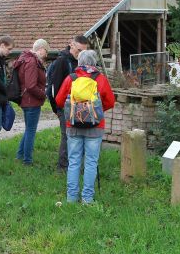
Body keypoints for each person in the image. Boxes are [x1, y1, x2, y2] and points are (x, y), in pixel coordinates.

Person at [55, 50, 115, 204]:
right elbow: (110, 102)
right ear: (94, 62)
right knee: (91, 162)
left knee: (73, 161)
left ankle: (71, 197)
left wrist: (73, 111)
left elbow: (59, 100)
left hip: (73, 125)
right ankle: (88, 198)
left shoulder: (71, 78)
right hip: (95, 127)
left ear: (79, 62)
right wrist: (95, 112)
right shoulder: (100, 78)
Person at [48, 35, 88, 172]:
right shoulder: (62, 61)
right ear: (71, 45)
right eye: (79, 50)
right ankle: (63, 167)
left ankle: (75, 165)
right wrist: (57, 109)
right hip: (63, 106)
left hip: (78, 106)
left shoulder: (80, 62)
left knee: (77, 135)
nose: (80, 54)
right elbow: (54, 88)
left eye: (83, 51)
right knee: (67, 136)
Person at [14, 38, 49, 165]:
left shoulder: (26, 59)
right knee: (31, 131)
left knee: (29, 129)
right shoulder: (32, 62)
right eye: (46, 51)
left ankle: (20, 155)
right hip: (31, 100)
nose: (46, 55)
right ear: (41, 49)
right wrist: (43, 95)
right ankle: (27, 160)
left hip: (27, 100)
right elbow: (30, 85)